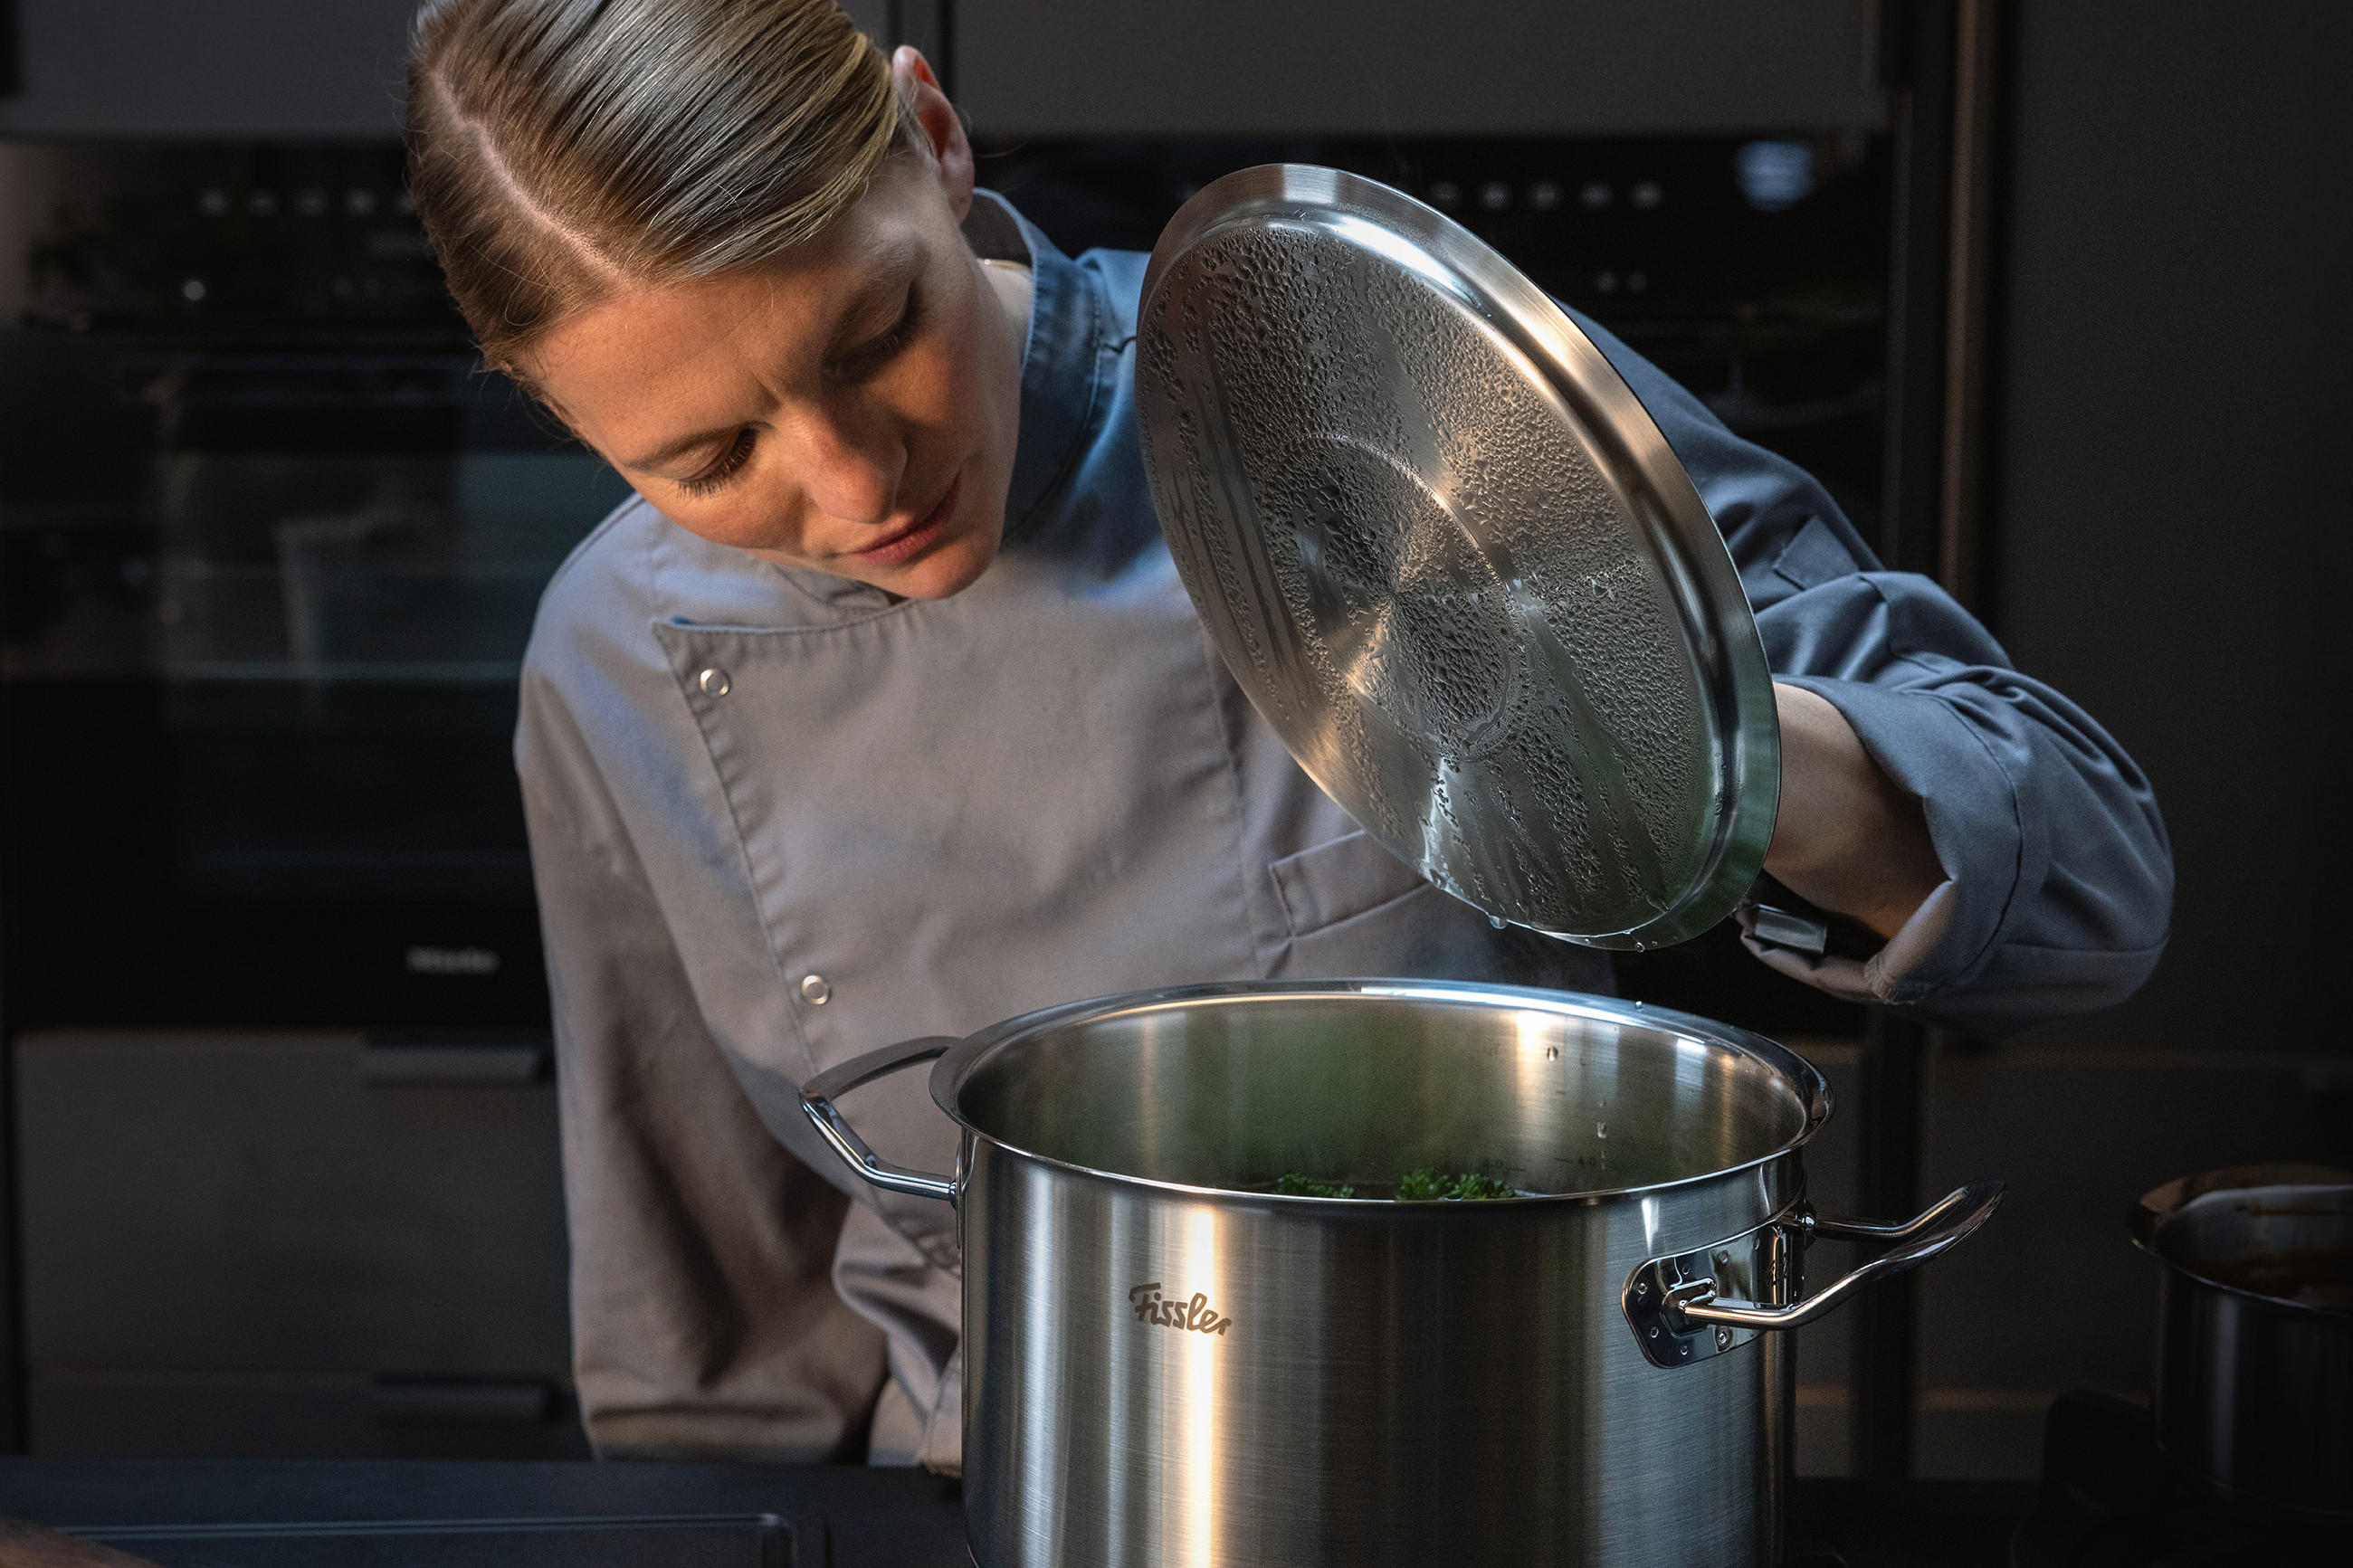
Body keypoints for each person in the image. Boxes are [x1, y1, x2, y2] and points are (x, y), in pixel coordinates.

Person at [405, 0, 2172, 1470]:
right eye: (707, 459)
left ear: (932, 140)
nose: (856, 479)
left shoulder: (1359, 412)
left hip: (1522, 1451)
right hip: (1003, 1486)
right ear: (569, 422)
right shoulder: (614, 662)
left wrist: (1670, 724)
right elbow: (705, 1314)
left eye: (880, 332)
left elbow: (2090, 891)